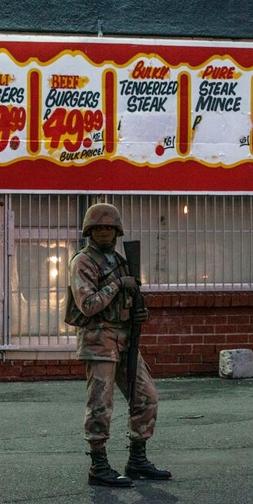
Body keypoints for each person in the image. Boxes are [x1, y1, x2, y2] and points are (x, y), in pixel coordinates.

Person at [66, 202, 172, 487]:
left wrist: (139, 311)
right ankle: (98, 465)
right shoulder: (83, 262)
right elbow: (88, 305)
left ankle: (137, 458)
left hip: (125, 339)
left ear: (117, 231)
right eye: (98, 228)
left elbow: (130, 297)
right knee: (100, 405)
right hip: (98, 340)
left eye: (109, 228)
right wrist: (117, 285)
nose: (104, 232)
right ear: (89, 231)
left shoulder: (121, 261)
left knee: (146, 396)